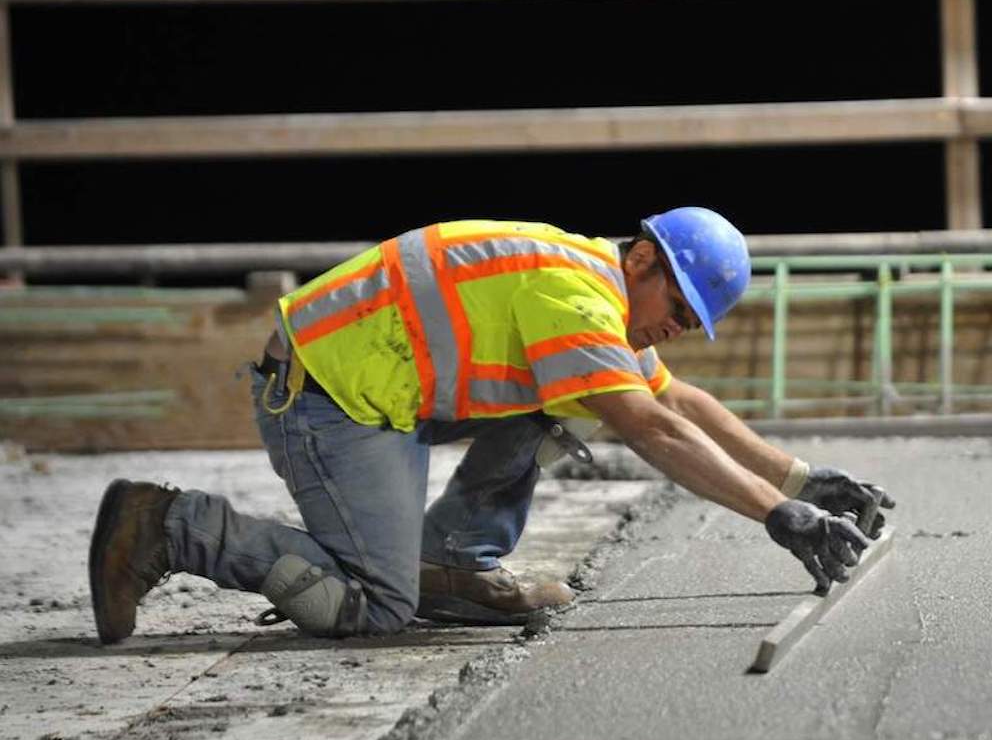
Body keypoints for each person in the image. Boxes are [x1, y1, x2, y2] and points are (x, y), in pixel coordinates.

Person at [88, 209, 893, 643]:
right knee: (374, 607)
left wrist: (799, 479)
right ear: (643, 259)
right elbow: (653, 430)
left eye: (689, 324)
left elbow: (678, 402)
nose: (672, 330)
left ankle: (453, 561)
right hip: (324, 401)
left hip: (387, 394)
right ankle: (167, 525)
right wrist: (777, 516)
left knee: (555, 402)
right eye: (676, 310)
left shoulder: (599, 290)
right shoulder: (575, 302)